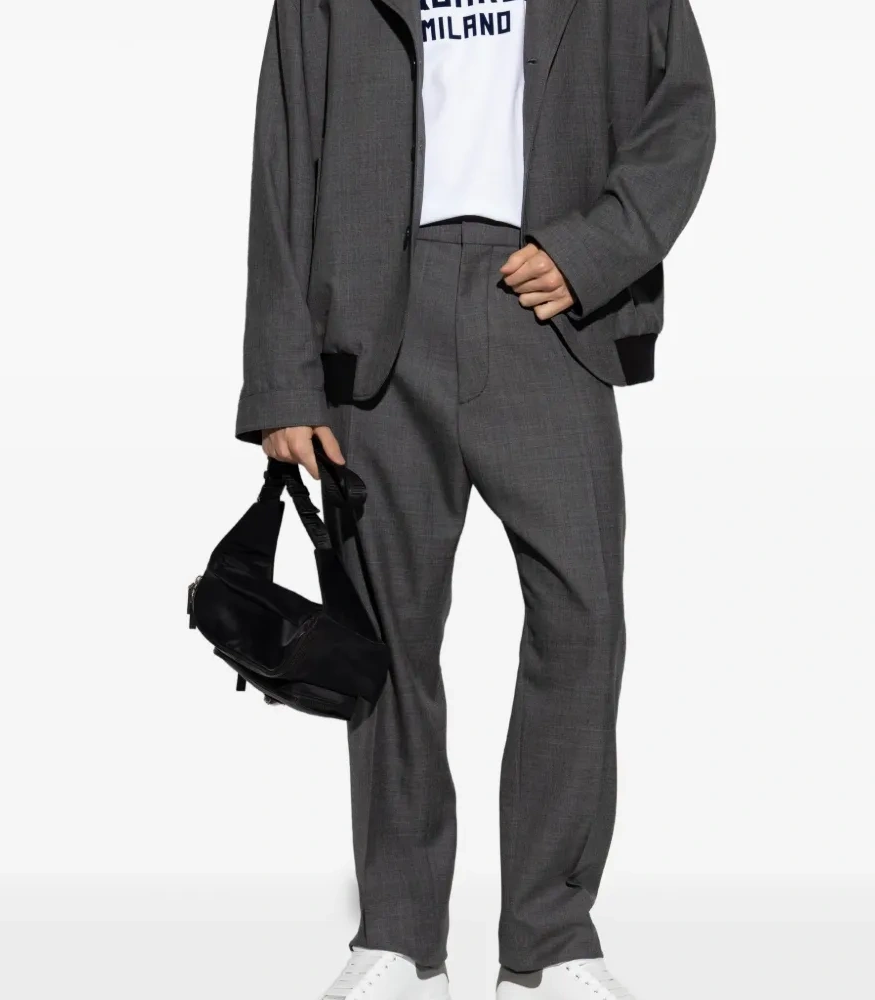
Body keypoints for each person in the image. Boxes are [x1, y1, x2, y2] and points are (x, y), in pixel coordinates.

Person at [234, 0, 715, 997]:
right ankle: (399, 936)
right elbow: (283, 152)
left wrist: (594, 249)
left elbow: (681, 112)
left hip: (543, 309)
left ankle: (549, 941)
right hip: (379, 318)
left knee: (582, 618)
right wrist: (283, 382)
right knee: (387, 634)